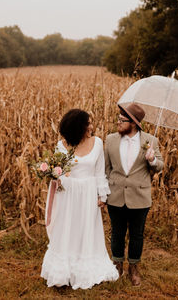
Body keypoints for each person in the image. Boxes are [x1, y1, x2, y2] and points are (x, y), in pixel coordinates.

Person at [41, 109, 119, 289]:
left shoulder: (98, 143)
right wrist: (55, 176)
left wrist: (103, 195)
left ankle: (85, 270)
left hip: (89, 194)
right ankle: (62, 272)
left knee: (86, 229)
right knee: (67, 228)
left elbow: (100, 172)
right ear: (78, 127)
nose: (91, 127)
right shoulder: (62, 146)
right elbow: (58, 171)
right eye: (88, 124)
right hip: (68, 194)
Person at [104, 103, 164, 286]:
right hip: (116, 194)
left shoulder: (150, 141)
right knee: (117, 232)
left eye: (122, 120)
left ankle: (134, 268)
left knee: (137, 234)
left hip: (140, 196)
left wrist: (152, 159)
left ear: (134, 123)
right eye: (118, 119)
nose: (118, 122)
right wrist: (104, 192)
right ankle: (117, 265)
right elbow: (106, 169)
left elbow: (160, 165)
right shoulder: (110, 139)